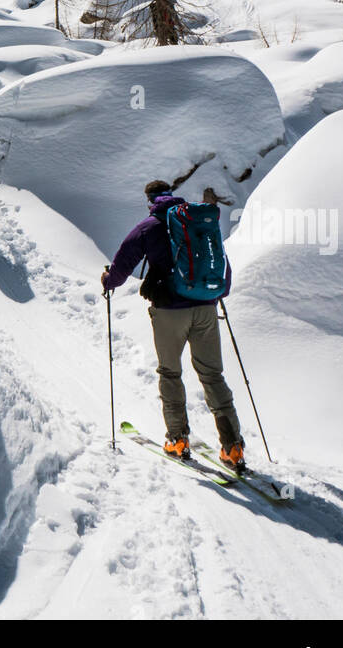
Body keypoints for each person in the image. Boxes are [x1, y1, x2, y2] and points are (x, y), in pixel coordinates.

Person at [101, 179, 245, 471]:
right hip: (206, 307)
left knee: (170, 372)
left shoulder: (150, 226)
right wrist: (217, 293)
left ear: (150, 199)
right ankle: (233, 449)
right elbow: (220, 261)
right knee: (213, 375)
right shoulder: (195, 222)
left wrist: (108, 281)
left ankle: (178, 440)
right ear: (172, 196)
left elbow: (124, 260)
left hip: (169, 311)